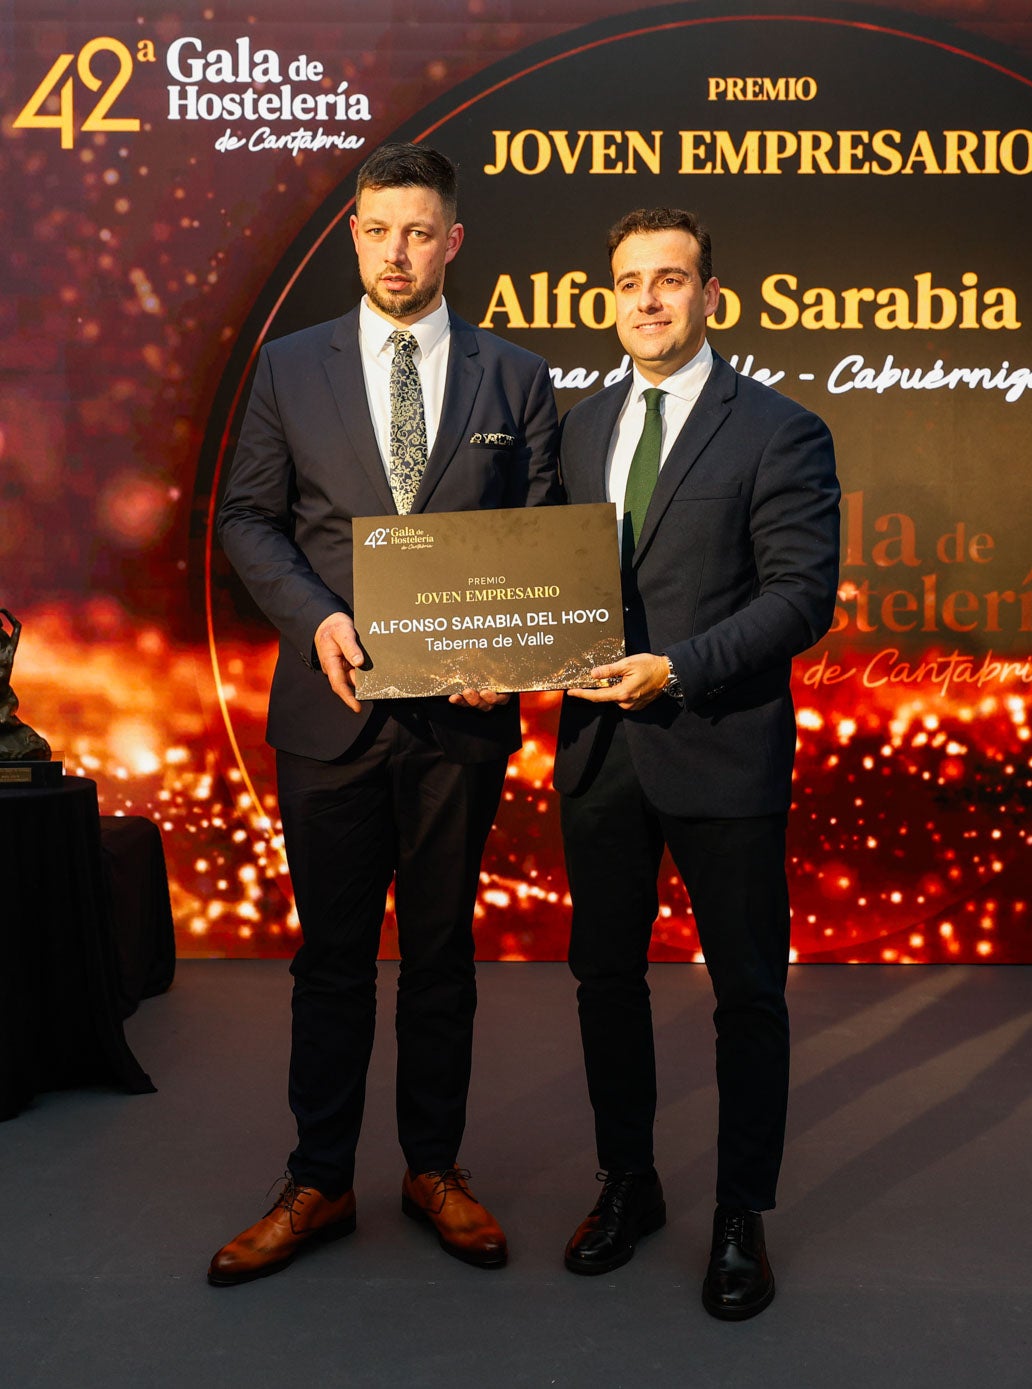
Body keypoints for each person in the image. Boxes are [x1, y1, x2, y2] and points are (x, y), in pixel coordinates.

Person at [210, 142, 559, 1285]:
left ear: (451, 241)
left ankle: (434, 1169)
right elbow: (250, 520)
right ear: (353, 236)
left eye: (418, 231)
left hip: (459, 723)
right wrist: (312, 615)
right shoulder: (288, 368)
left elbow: (541, 544)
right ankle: (315, 1179)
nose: (396, 252)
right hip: (331, 710)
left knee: (445, 957)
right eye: (376, 231)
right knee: (331, 963)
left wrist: (503, 651)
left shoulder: (517, 379)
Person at [553, 207, 839, 1320]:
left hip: (720, 747)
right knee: (604, 984)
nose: (648, 301)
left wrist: (675, 666)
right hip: (597, 753)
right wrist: (485, 653)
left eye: (669, 280)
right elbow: (540, 586)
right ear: (609, 299)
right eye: (628, 283)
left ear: (710, 295)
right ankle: (629, 1183)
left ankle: (739, 1214)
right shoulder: (578, 430)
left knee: (747, 996)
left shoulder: (778, 429)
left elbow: (798, 598)